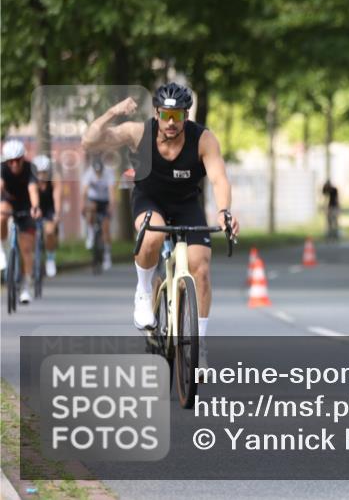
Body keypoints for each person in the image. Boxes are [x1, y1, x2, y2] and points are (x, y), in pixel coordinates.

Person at [82, 83, 240, 365]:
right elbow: (90, 142)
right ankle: (143, 291)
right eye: (165, 115)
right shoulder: (139, 132)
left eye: (177, 116)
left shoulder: (203, 139)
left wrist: (224, 211)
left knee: (201, 269)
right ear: (156, 113)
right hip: (149, 200)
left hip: (186, 204)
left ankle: (199, 346)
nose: (170, 122)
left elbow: (219, 179)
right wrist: (112, 112)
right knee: (152, 237)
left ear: (186, 115)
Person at [1, 139, 41, 303]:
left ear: (23, 158)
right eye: (11, 161)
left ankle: (26, 285)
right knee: (1, 215)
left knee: (26, 249)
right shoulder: (3, 169)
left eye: (18, 160)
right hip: (9, 202)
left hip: (26, 206)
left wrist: (35, 207)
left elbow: (33, 190)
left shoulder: (31, 169)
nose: (14, 164)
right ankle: (2, 250)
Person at [81, 156, 115, 270]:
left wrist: (111, 206)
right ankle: (90, 234)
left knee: (105, 228)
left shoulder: (108, 174)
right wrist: (83, 205)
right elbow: (84, 192)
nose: (98, 173)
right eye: (96, 171)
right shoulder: (89, 173)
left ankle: (107, 255)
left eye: (99, 171)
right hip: (93, 200)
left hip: (105, 201)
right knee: (91, 209)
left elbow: (112, 193)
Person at [32, 155, 62, 278]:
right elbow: (32, 195)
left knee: (49, 232)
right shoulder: (31, 181)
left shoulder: (55, 179)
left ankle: (50, 258)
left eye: (44, 173)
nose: (41, 176)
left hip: (49, 208)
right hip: (35, 207)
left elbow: (57, 197)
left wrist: (57, 214)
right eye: (38, 173)